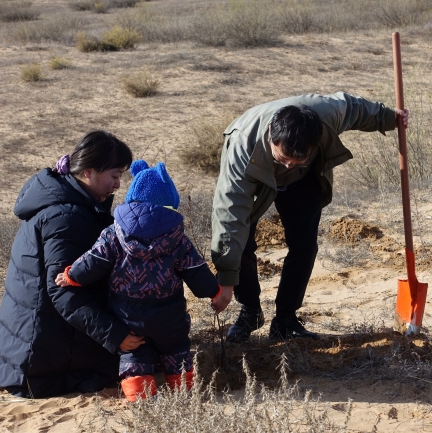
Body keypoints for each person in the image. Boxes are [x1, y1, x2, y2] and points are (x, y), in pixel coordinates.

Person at [211, 92, 409, 343]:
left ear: (315, 144)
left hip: (303, 181)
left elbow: (353, 109)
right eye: (283, 159)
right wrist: (226, 279)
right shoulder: (243, 145)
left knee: (304, 244)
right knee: (242, 241)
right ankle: (250, 311)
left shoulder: (325, 115)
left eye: (297, 160)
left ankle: (285, 319)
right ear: (272, 134)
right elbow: (230, 214)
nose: (288, 166)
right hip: (256, 174)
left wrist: (388, 117)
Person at [55, 159, 230, 402]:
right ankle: (182, 391)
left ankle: (139, 396)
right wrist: (215, 291)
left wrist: (70, 276)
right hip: (170, 315)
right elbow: (195, 270)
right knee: (176, 350)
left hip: (127, 315)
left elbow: (93, 261)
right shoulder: (177, 236)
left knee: (134, 353)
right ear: (169, 203)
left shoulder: (114, 233)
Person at [0, 130, 145, 398]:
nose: (118, 185)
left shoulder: (70, 204)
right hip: (40, 365)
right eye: (115, 176)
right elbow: (63, 290)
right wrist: (115, 334)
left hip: (31, 352)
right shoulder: (67, 216)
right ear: (88, 172)